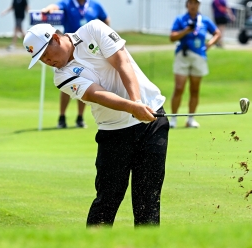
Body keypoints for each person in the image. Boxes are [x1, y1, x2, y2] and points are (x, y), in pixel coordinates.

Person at [23, 20, 169, 227]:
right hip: (114, 132)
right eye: (40, 59)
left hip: (152, 122)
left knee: (148, 200)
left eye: (46, 54)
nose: (46, 61)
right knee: (107, 201)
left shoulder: (94, 29)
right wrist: (132, 108)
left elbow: (122, 62)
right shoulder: (61, 77)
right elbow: (96, 94)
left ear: (56, 38)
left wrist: (137, 103)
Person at [41, 0, 111, 129]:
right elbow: (55, 7)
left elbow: (106, 20)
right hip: (66, 52)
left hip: (86, 52)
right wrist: (48, 9)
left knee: (86, 84)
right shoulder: (68, 3)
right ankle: (62, 117)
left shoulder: (95, 5)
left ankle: (80, 117)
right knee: (67, 87)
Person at [169, 0, 221, 128]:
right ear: (187, 5)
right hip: (183, 55)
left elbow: (217, 33)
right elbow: (172, 37)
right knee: (179, 88)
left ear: (199, 5)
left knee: (195, 89)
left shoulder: (204, 20)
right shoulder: (180, 19)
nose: (193, 5)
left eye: (195, 3)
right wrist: (186, 31)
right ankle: (173, 119)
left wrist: (209, 44)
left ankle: (191, 119)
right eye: (191, 3)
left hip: (199, 56)